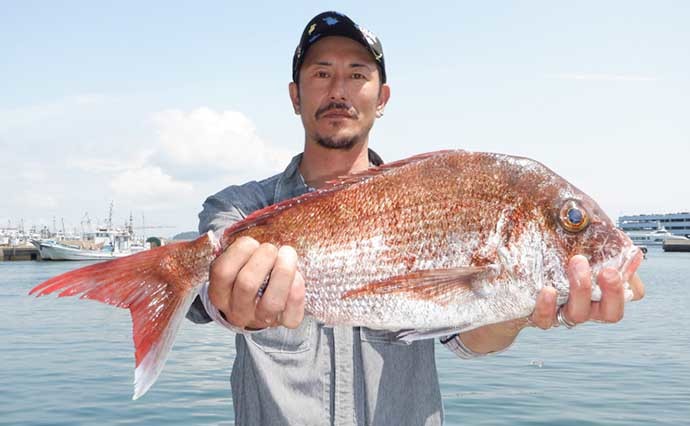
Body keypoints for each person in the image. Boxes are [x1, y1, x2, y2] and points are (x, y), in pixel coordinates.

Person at [186, 11, 645, 425]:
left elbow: (467, 340)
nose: (338, 90)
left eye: (357, 75)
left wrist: (520, 312)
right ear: (295, 95)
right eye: (321, 73)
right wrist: (228, 299)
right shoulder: (242, 209)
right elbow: (206, 296)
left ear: (382, 97)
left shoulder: (429, 197)